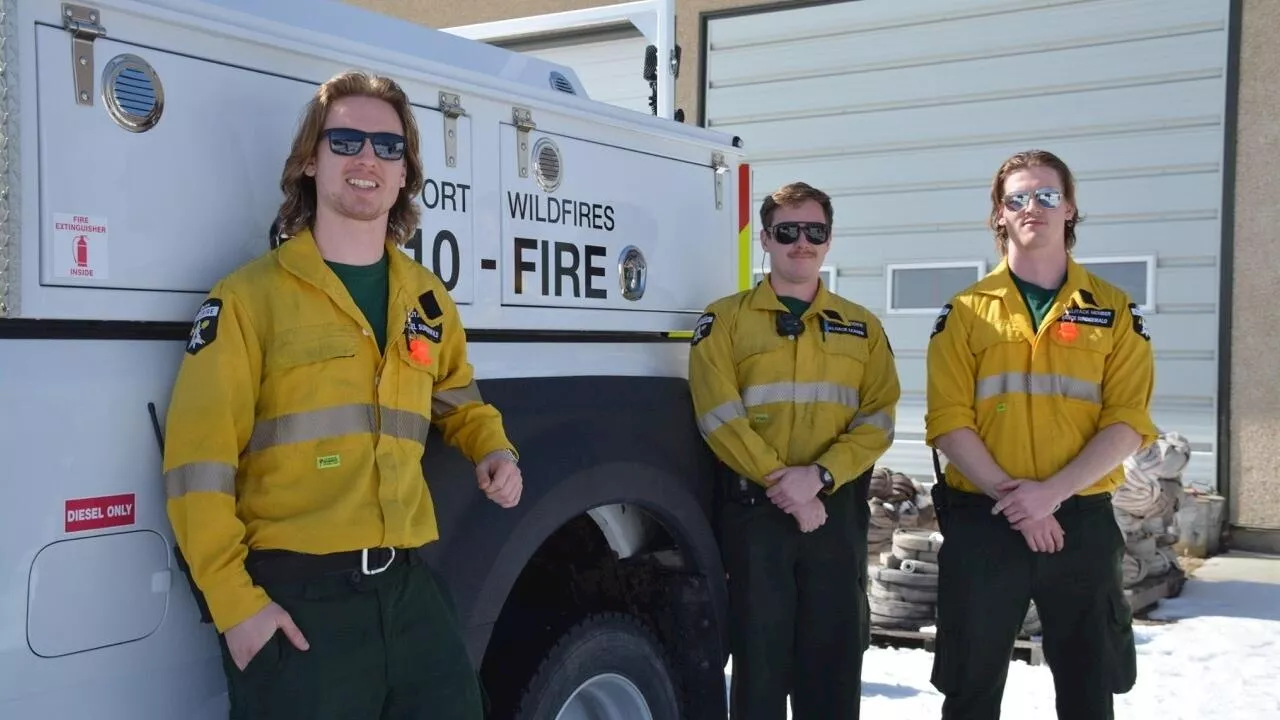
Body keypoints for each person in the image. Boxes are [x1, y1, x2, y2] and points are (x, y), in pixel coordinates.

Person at [162, 70, 522, 720]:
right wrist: (236, 608)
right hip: (300, 606)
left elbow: (458, 397)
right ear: (310, 159)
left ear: (406, 171)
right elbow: (197, 468)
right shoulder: (248, 300)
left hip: (412, 593)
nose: (367, 159)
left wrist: (492, 448)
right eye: (346, 140)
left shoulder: (426, 299)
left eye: (388, 147)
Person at [924, 149, 1157, 720]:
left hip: (1079, 521)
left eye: (1047, 195)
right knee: (970, 685)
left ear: (1070, 208)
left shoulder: (1112, 309)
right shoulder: (966, 312)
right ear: (999, 214)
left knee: (1090, 683)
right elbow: (948, 422)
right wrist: (1020, 501)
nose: (1033, 207)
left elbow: (1128, 421)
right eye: (1018, 198)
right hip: (986, 519)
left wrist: (1048, 496)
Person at [688, 181, 900, 720]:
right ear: (765, 239)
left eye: (814, 231)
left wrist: (821, 478)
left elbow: (878, 421)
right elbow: (718, 417)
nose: (801, 242)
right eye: (787, 231)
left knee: (832, 669)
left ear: (829, 240)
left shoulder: (863, 328)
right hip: (755, 518)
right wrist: (788, 486)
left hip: (836, 515)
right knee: (759, 670)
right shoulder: (724, 321)